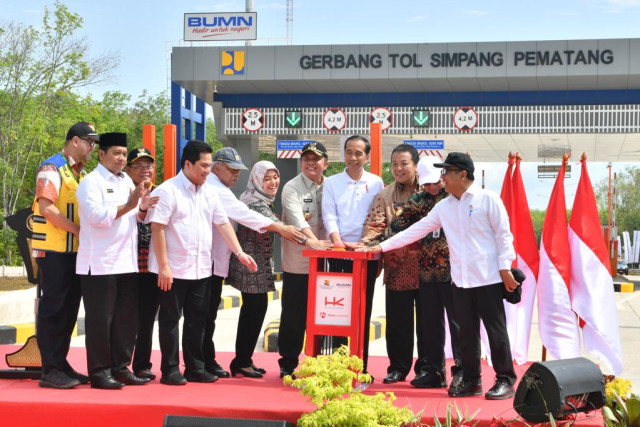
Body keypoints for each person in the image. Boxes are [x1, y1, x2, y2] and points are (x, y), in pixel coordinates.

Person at [362, 152, 518, 400]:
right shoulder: (443, 207)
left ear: (462, 174)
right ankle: (471, 380)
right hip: (460, 280)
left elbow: (504, 236)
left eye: (446, 172)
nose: (442, 177)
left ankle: (505, 379)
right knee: (466, 334)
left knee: (495, 331)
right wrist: (379, 247)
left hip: (488, 278)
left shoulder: (488, 199)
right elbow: (414, 231)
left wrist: (506, 269)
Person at [148, 140, 257, 386]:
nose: (208, 171)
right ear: (188, 164)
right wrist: (164, 266)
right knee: (170, 321)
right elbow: (158, 229)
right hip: (173, 270)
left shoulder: (209, 191)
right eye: (204, 166)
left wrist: (239, 252)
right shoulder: (168, 191)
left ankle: (195, 367)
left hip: (201, 269)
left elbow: (223, 223)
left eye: (210, 166)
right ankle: (170, 369)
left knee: (198, 320)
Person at [203, 147, 305, 378]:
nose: (272, 182)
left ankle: (241, 360)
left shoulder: (258, 199)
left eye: (275, 177)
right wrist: (302, 236)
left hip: (252, 264)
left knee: (252, 310)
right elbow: (263, 222)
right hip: (249, 266)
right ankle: (234, 361)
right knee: (251, 310)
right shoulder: (253, 203)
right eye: (266, 178)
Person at [367, 156, 462, 389]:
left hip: (455, 272)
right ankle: (434, 372)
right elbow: (397, 228)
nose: (431, 188)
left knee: (459, 325)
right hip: (428, 273)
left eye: (435, 183)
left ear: (444, 176)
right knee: (430, 327)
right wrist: (372, 244)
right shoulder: (418, 200)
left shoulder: (455, 197)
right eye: (426, 183)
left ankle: (463, 372)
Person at [76, 132, 157, 389]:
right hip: (99, 264)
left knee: (125, 319)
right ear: (102, 154)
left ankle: (121, 368)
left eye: (124, 153)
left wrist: (142, 207)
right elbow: (98, 218)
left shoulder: (125, 182)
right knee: (101, 320)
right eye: (117, 153)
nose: (122, 158)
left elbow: (135, 218)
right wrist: (131, 203)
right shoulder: (91, 182)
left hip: (127, 263)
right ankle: (100, 373)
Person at [31, 122, 97, 389]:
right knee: (54, 310)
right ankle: (50, 370)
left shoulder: (79, 173)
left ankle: (60, 363)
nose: (93, 147)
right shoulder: (52, 168)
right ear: (75, 141)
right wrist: (79, 230)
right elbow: (46, 207)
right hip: (54, 252)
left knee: (69, 311)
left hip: (73, 253)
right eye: (90, 142)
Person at [359, 144, 425, 384]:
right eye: (394, 164)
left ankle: (428, 369)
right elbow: (374, 227)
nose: (398, 168)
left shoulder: (432, 190)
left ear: (415, 165)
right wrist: (366, 244)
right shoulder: (385, 195)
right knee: (398, 323)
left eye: (404, 163)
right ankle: (398, 368)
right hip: (398, 269)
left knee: (429, 323)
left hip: (430, 269)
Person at [321, 135, 384, 372]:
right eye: (349, 152)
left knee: (362, 312)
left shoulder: (376, 182)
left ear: (366, 157)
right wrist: (337, 243)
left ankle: (360, 365)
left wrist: (366, 246)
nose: (353, 158)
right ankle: (338, 364)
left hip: (366, 256)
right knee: (338, 310)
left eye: (359, 153)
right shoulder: (332, 182)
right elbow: (329, 215)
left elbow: (378, 217)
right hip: (338, 255)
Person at [278, 142, 332, 378]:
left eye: (316, 159)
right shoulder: (292, 187)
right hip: (299, 263)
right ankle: (288, 362)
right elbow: (298, 220)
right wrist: (313, 243)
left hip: (328, 263)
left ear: (325, 163)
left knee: (325, 313)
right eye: (306, 159)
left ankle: (321, 361)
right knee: (294, 314)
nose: (311, 163)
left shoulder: (332, 186)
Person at [126, 147, 160, 380]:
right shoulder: (122, 191)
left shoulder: (161, 192)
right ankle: (117, 363)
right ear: (129, 169)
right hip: (124, 265)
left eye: (148, 166)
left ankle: (142, 364)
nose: (144, 170)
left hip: (151, 266)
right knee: (123, 317)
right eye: (138, 166)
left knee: (147, 317)